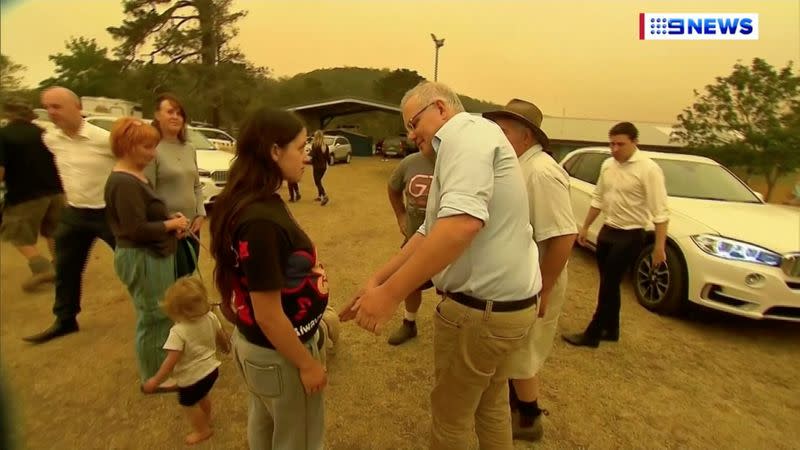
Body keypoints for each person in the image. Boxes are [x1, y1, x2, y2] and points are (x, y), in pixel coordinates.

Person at [341, 81, 542, 450]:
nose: (412, 135)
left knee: (451, 419)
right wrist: (377, 280)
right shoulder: (460, 148)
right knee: (490, 405)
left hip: (479, 313)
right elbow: (426, 234)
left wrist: (390, 296)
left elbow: (461, 225)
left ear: (441, 108)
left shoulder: (465, 134)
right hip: (504, 310)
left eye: (414, 123)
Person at [209, 107, 329, 449]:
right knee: (298, 442)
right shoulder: (260, 220)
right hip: (281, 355)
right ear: (274, 151)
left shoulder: (247, 201)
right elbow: (268, 313)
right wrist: (307, 365)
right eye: (300, 148)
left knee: (265, 433)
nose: (306, 158)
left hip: (261, 350)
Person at [484, 99, 577, 442]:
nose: (497, 136)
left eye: (503, 130)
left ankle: (528, 418)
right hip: (522, 278)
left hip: (537, 280)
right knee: (514, 349)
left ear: (525, 136)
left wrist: (546, 288)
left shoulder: (541, 171)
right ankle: (518, 406)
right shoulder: (519, 165)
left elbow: (565, 236)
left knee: (524, 351)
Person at [562, 122, 669, 347]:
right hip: (608, 230)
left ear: (634, 143)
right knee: (607, 283)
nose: (615, 149)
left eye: (620, 144)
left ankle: (592, 334)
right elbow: (598, 198)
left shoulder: (648, 169)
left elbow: (660, 212)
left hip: (631, 234)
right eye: (612, 144)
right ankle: (611, 329)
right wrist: (585, 227)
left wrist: (659, 247)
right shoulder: (608, 165)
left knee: (610, 284)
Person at [23, 87, 117, 344]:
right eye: (48, 107)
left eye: (57, 106)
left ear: (78, 108)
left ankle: (162, 312)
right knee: (65, 267)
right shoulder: (51, 139)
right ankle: (65, 319)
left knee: (135, 262)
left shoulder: (104, 139)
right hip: (75, 212)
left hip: (109, 214)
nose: (52, 112)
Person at [104, 117, 189, 388]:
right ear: (127, 146)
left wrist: (168, 219)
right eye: (146, 147)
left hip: (154, 254)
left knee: (163, 311)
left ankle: (163, 364)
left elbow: (146, 216)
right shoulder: (123, 182)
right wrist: (170, 224)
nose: (152, 153)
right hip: (142, 257)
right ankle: (154, 376)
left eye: (153, 147)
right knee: (153, 315)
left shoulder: (136, 176)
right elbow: (134, 228)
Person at [143, 277, 231, 446]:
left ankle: (202, 430)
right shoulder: (211, 317)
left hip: (191, 378)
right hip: (212, 371)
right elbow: (221, 336)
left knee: (189, 404)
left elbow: (170, 361)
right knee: (202, 395)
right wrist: (226, 347)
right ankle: (206, 418)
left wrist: (155, 380)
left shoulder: (178, 332)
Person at [0, 100, 65, 291]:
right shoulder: (43, 134)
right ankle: (61, 269)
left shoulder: (3, 136)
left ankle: (41, 268)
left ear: (8, 115)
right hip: (55, 191)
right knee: (53, 231)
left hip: (24, 196)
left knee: (15, 233)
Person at [147, 93, 206, 277]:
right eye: (170, 112)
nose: (175, 117)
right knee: (173, 284)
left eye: (179, 113)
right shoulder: (151, 149)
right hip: (169, 230)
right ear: (157, 115)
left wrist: (200, 213)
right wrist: (170, 221)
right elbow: (147, 192)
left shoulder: (189, 148)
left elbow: (196, 185)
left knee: (190, 279)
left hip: (192, 228)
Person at [385, 148, 435, 345]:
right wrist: (400, 215)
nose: (414, 136)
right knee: (411, 284)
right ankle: (409, 323)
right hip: (414, 240)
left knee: (451, 289)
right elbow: (393, 188)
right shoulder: (410, 162)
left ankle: (452, 329)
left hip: (447, 241)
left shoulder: (458, 161)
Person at [309, 130, 330, 205]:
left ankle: (324, 195)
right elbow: (328, 157)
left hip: (317, 167)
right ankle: (319, 196)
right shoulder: (325, 145)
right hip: (324, 167)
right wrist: (329, 163)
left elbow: (313, 156)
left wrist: (309, 160)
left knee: (317, 182)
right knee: (319, 181)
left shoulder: (315, 145)